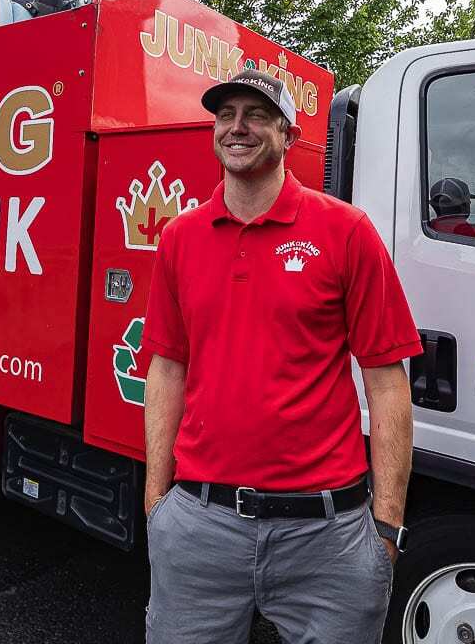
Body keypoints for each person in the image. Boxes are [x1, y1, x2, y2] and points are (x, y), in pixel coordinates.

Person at [141, 69, 422, 644]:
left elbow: (386, 380)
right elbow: (167, 367)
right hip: (200, 524)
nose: (237, 127)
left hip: (328, 536)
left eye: (256, 115)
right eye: (225, 115)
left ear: (289, 135)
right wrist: (157, 504)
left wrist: (386, 524)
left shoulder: (345, 232)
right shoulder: (181, 238)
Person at [428, 177, 475, 242]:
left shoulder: (429, 228)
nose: (469, 203)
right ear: (464, 205)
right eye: (469, 201)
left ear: (433, 206)